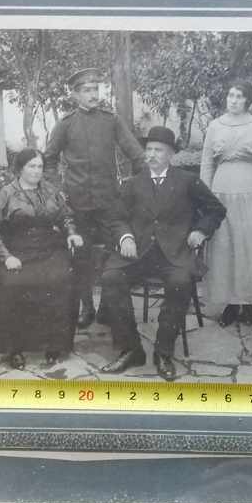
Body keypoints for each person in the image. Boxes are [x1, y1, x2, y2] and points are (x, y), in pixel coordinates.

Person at [99, 126, 227, 381]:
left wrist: (201, 231)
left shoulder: (187, 181)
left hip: (174, 253)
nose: (152, 155)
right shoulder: (133, 183)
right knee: (111, 277)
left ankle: (163, 352)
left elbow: (216, 210)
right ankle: (130, 349)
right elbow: (115, 217)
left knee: (180, 282)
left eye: (158, 150)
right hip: (138, 253)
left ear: (170, 154)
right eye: (149, 150)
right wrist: (125, 236)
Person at [43, 68, 145, 329]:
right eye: (87, 90)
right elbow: (49, 160)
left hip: (109, 203)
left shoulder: (111, 120)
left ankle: (107, 307)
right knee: (80, 257)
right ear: (75, 94)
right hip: (77, 205)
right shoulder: (65, 124)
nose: (93, 94)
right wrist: (58, 190)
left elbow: (136, 154)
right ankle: (86, 307)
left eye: (95, 89)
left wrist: (136, 188)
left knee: (114, 255)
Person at [0, 149, 85, 369]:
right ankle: (14, 348)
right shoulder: (7, 193)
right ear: (20, 168)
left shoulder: (51, 190)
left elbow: (66, 216)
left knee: (61, 279)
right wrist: (7, 256)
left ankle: (54, 344)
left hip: (48, 248)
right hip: (17, 251)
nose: (36, 171)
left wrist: (71, 233)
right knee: (12, 284)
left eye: (39, 166)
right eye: (31, 166)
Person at [200, 80, 252, 327]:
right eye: (230, 95)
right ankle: (230, 304)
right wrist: (205, 196)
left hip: (249, 192)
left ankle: (247, 303)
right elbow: (206, 163)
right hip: (221, 193)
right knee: (225, 246)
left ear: (248, 100)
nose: (233, 100)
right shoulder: (215, 126)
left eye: (238, 96)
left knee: (248, 246)